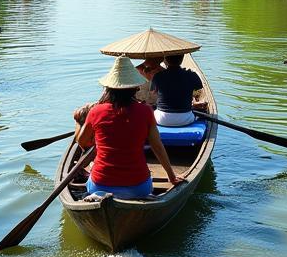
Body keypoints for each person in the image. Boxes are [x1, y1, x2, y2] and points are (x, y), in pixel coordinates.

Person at [72, 55, 182, 198]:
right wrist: (171, 177)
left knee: (92, 177)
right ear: (135, 88)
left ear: (109, 89)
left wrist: (98, 145)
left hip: (100, 184)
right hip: (139, 187)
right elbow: (157, 146)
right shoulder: (146, 111)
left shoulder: (95, 111)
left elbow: (81, 141)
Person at [150, 53, 204, 125]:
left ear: (165, 59)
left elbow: (153, 92)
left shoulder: (158, 75)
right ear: (182, 59)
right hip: (185, 119)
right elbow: (198, 89)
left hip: (161, 119)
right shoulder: (191, 75)